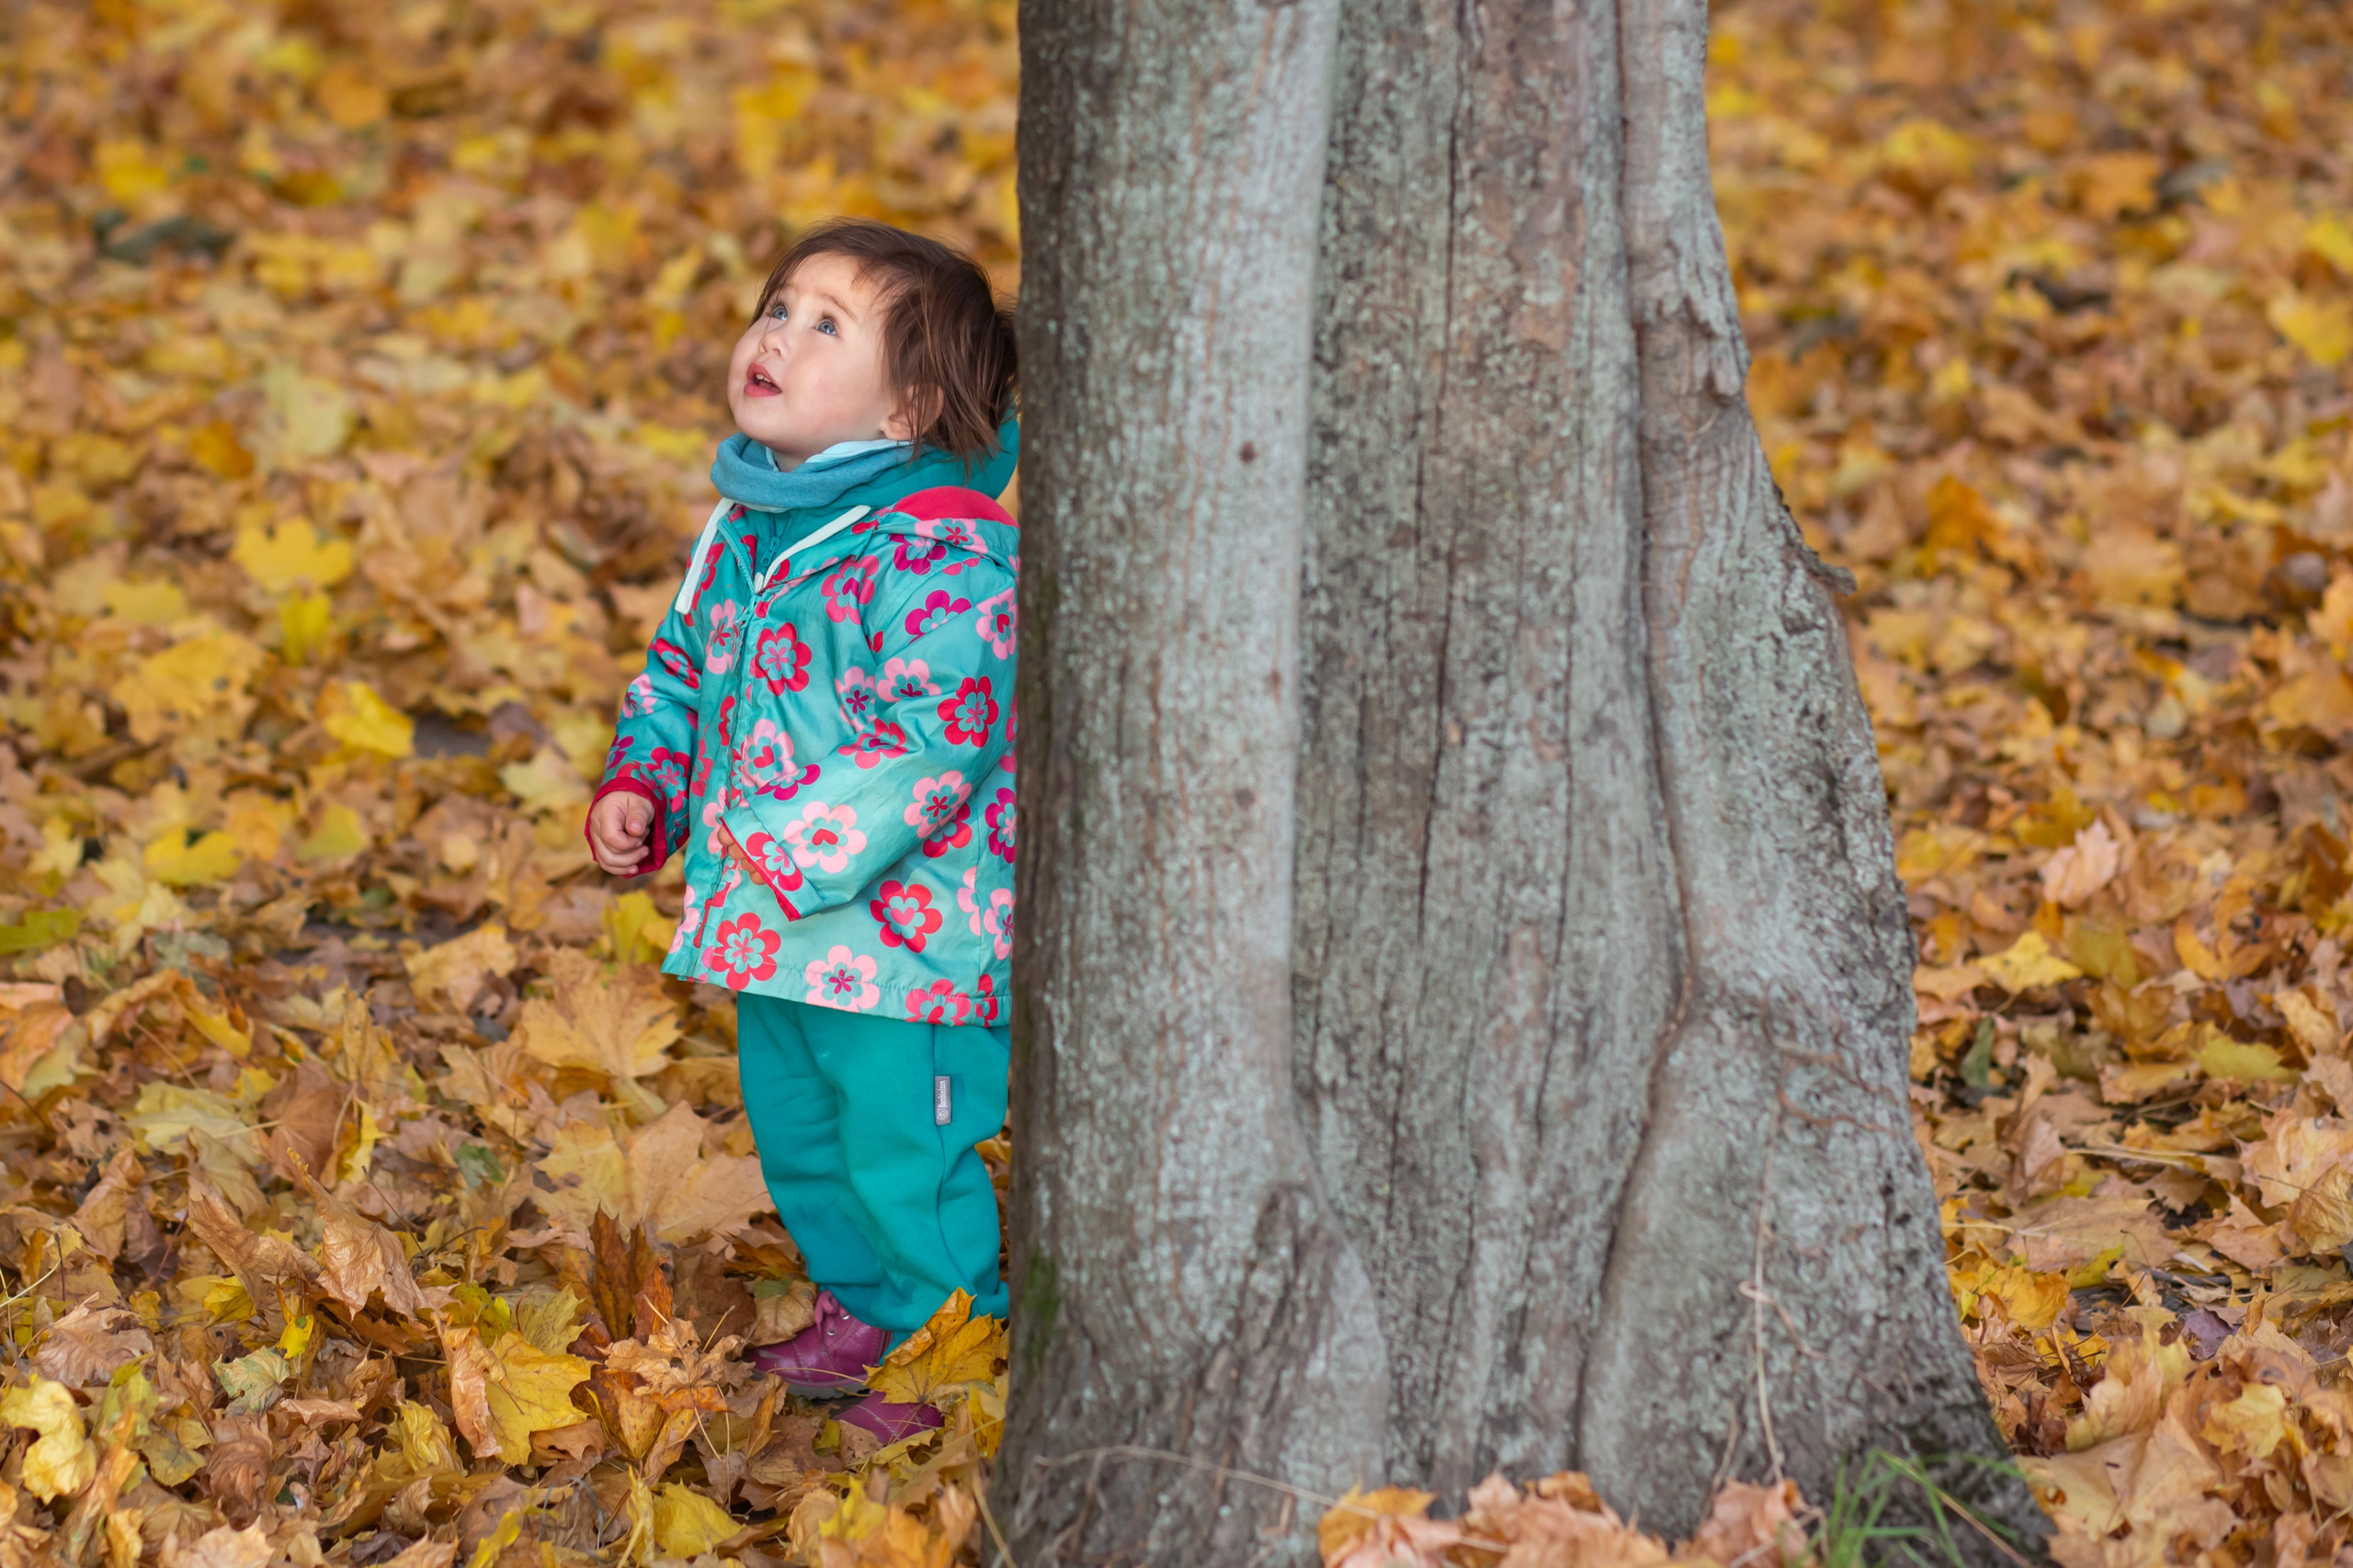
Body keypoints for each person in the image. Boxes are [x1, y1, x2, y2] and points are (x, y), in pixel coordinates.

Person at [583, 219, 1018, 1445]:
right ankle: (864, 1306)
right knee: (803, 1137)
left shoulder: (942, 546)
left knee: (905, 1150)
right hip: (775, 936)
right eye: (778, 306)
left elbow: (944, 725)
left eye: (827, 324)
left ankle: (950, 1348)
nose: (777, 334)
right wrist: (644, 783)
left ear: (909, 406)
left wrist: (795, 844)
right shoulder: (747, 528)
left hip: (907, 949)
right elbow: (681, 670)